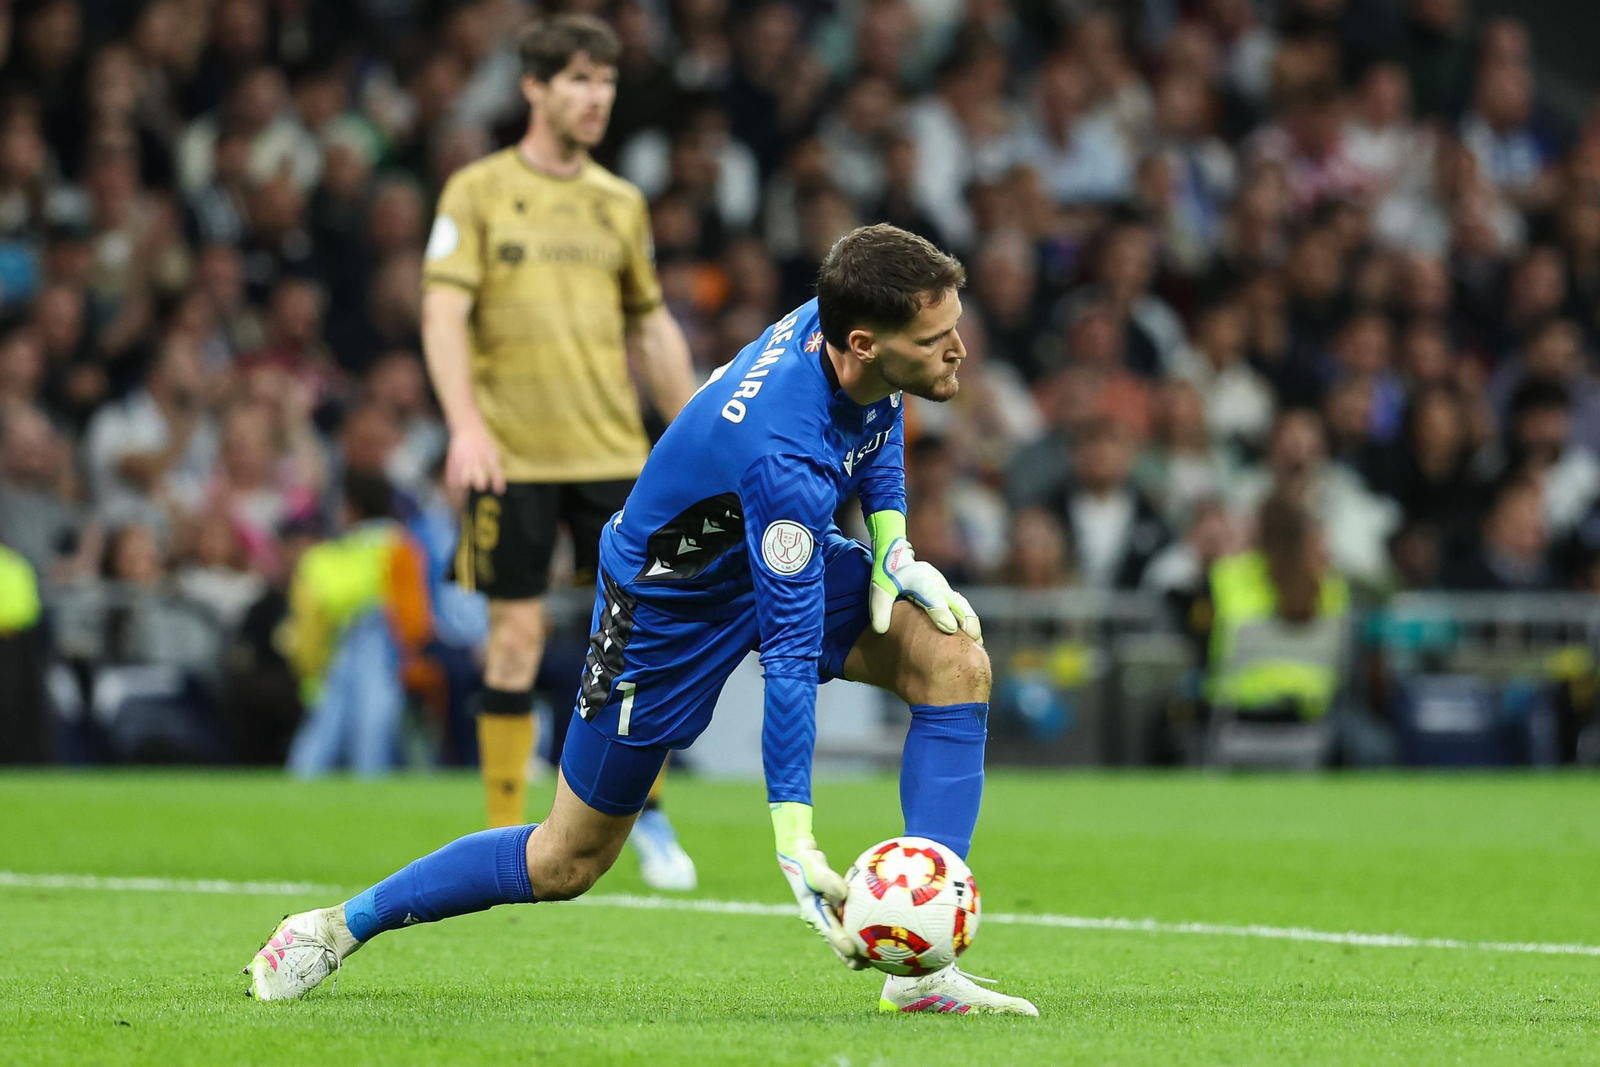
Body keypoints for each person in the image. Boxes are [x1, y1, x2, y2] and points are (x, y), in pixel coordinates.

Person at [245, 223, 1037, 1017]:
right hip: (665, 607)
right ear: (863, 342)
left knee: (953, 661)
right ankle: (335, 927)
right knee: (565, 859)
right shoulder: (782, 453)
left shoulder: (849, 329)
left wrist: (893, 544)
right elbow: (790, 662)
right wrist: (794, 836)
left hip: (759, 541)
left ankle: (920, 968)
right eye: (936, 338)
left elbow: (879, 413)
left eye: (952, 328)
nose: (958, 349)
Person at [419, 15, 699, 888]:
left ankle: (644, 816)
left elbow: (650, 325)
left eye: (607, 82)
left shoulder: (619, 201)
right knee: (511, 641)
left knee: (648, 640)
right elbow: (442, 314)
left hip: (613, 449)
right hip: (513, 455)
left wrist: (696, 428)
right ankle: (504, 839)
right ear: (533, 87)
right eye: (579, 80)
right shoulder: (476, 190)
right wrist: (463, 423)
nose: (596, 98)